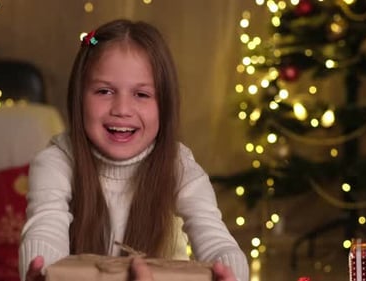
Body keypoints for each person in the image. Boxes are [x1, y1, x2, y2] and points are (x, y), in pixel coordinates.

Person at [19, 19, 249, 281]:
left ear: (164, 104)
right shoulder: (56, 161)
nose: (122, 109)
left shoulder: (178, 165)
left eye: (141, 94)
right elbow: (45, 226)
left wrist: (230, 274)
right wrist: (45, 271)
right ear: (78, 97)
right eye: (104, 91)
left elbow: (213, 236)